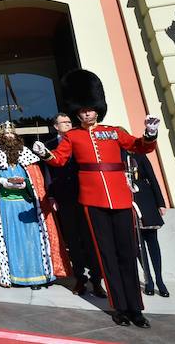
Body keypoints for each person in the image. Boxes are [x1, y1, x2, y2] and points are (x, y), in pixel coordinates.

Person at [33, 69, 160, 329]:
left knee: (127, 252)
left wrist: (150, 134)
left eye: (91, 109)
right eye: (83, 110)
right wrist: (45, 153)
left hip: (121, 198)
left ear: (96, 110)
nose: (87, 113)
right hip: (92, 200)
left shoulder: (113, 132)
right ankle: (120, 307)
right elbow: (58, 159)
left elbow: (139, 146)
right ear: (77, 112)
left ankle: (136, 308)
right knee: (107, 255)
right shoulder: (73, 136)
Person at [0, 121, 67, 288]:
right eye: (5, 134)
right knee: (10, 240)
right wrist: (3, 181)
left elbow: (35, 178)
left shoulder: (25, 152)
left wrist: (27, 184)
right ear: (1, 137)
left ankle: (36, 277)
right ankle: (12, 275)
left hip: (26, 205)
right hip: (6, 205)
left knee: (31, 240)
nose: (9, 136)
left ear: (16, 136)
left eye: (11, 134)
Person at [46, 113, 106, 297]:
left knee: (90, 238)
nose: (67, 124)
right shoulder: (49, 146)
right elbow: (47, 172)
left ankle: (97, 280)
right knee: (72, 239)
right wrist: (51, 196)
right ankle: (79, 278)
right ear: (56, 126)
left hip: (86, 195)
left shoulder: (81, 138)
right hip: (64, 198)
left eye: (69, 122)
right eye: (63, 122)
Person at [125, 151, 169, 297]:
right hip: (128, 200)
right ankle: (148, 279)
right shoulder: (116, 156)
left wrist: (160, 203)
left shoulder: (140, 155)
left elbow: (152, 178)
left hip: (146, 199)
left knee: (152, 241)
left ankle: (160, 280)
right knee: (139, 245)